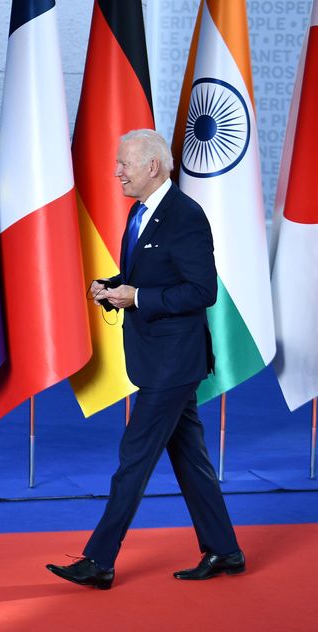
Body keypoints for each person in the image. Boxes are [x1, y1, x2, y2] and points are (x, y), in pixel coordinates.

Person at [46, 129, 244, 590]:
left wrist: (137, 296)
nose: (117, 171)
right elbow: (147, 278)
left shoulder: (186, 217)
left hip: (174, 363)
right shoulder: (140, 212)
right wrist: (114, 288)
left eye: (124, 164)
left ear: (152, 167)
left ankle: (99, 560)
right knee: (190, 460)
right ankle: (225, 550)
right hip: (156, 358)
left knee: (134, 457)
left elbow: (202, 291)